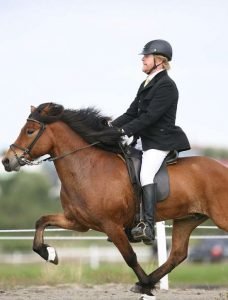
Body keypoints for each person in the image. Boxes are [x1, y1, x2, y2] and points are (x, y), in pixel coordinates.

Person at [111, 39, 191, 245]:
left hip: (159, 142)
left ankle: (147, 225)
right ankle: (129, 222)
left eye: (146, 56)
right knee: (125, 168)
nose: (143, 59)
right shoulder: (146, 83)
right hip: (143, 140)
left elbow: (150, 117)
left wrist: (124, 130)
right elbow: (132, 113)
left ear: (159, 60)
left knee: (146, 174)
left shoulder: (167, 86)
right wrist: (110, 127)